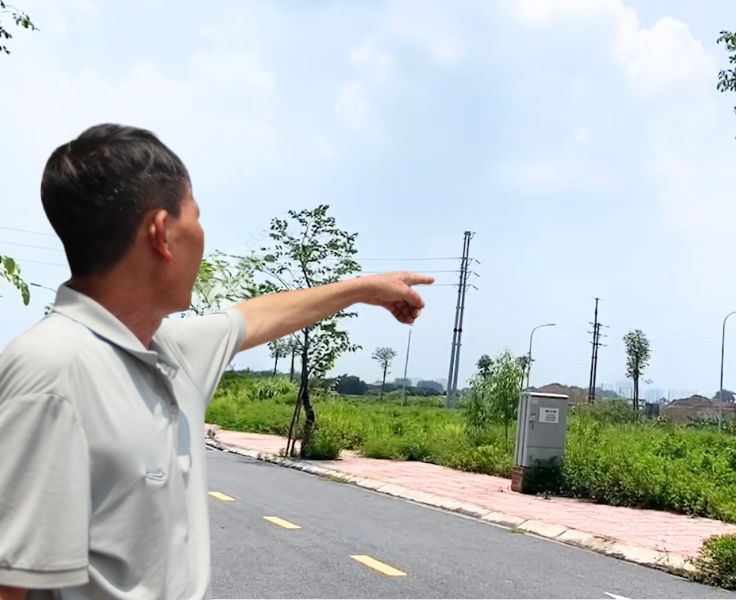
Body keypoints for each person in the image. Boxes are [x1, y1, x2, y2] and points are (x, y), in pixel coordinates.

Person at [0, 124, 433, 600]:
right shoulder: (50, 372)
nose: (202, 235)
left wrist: (365, 288)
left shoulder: (168, 349)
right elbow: (12, 585)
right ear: (163, 233)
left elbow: (257, 315)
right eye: (196, 216)